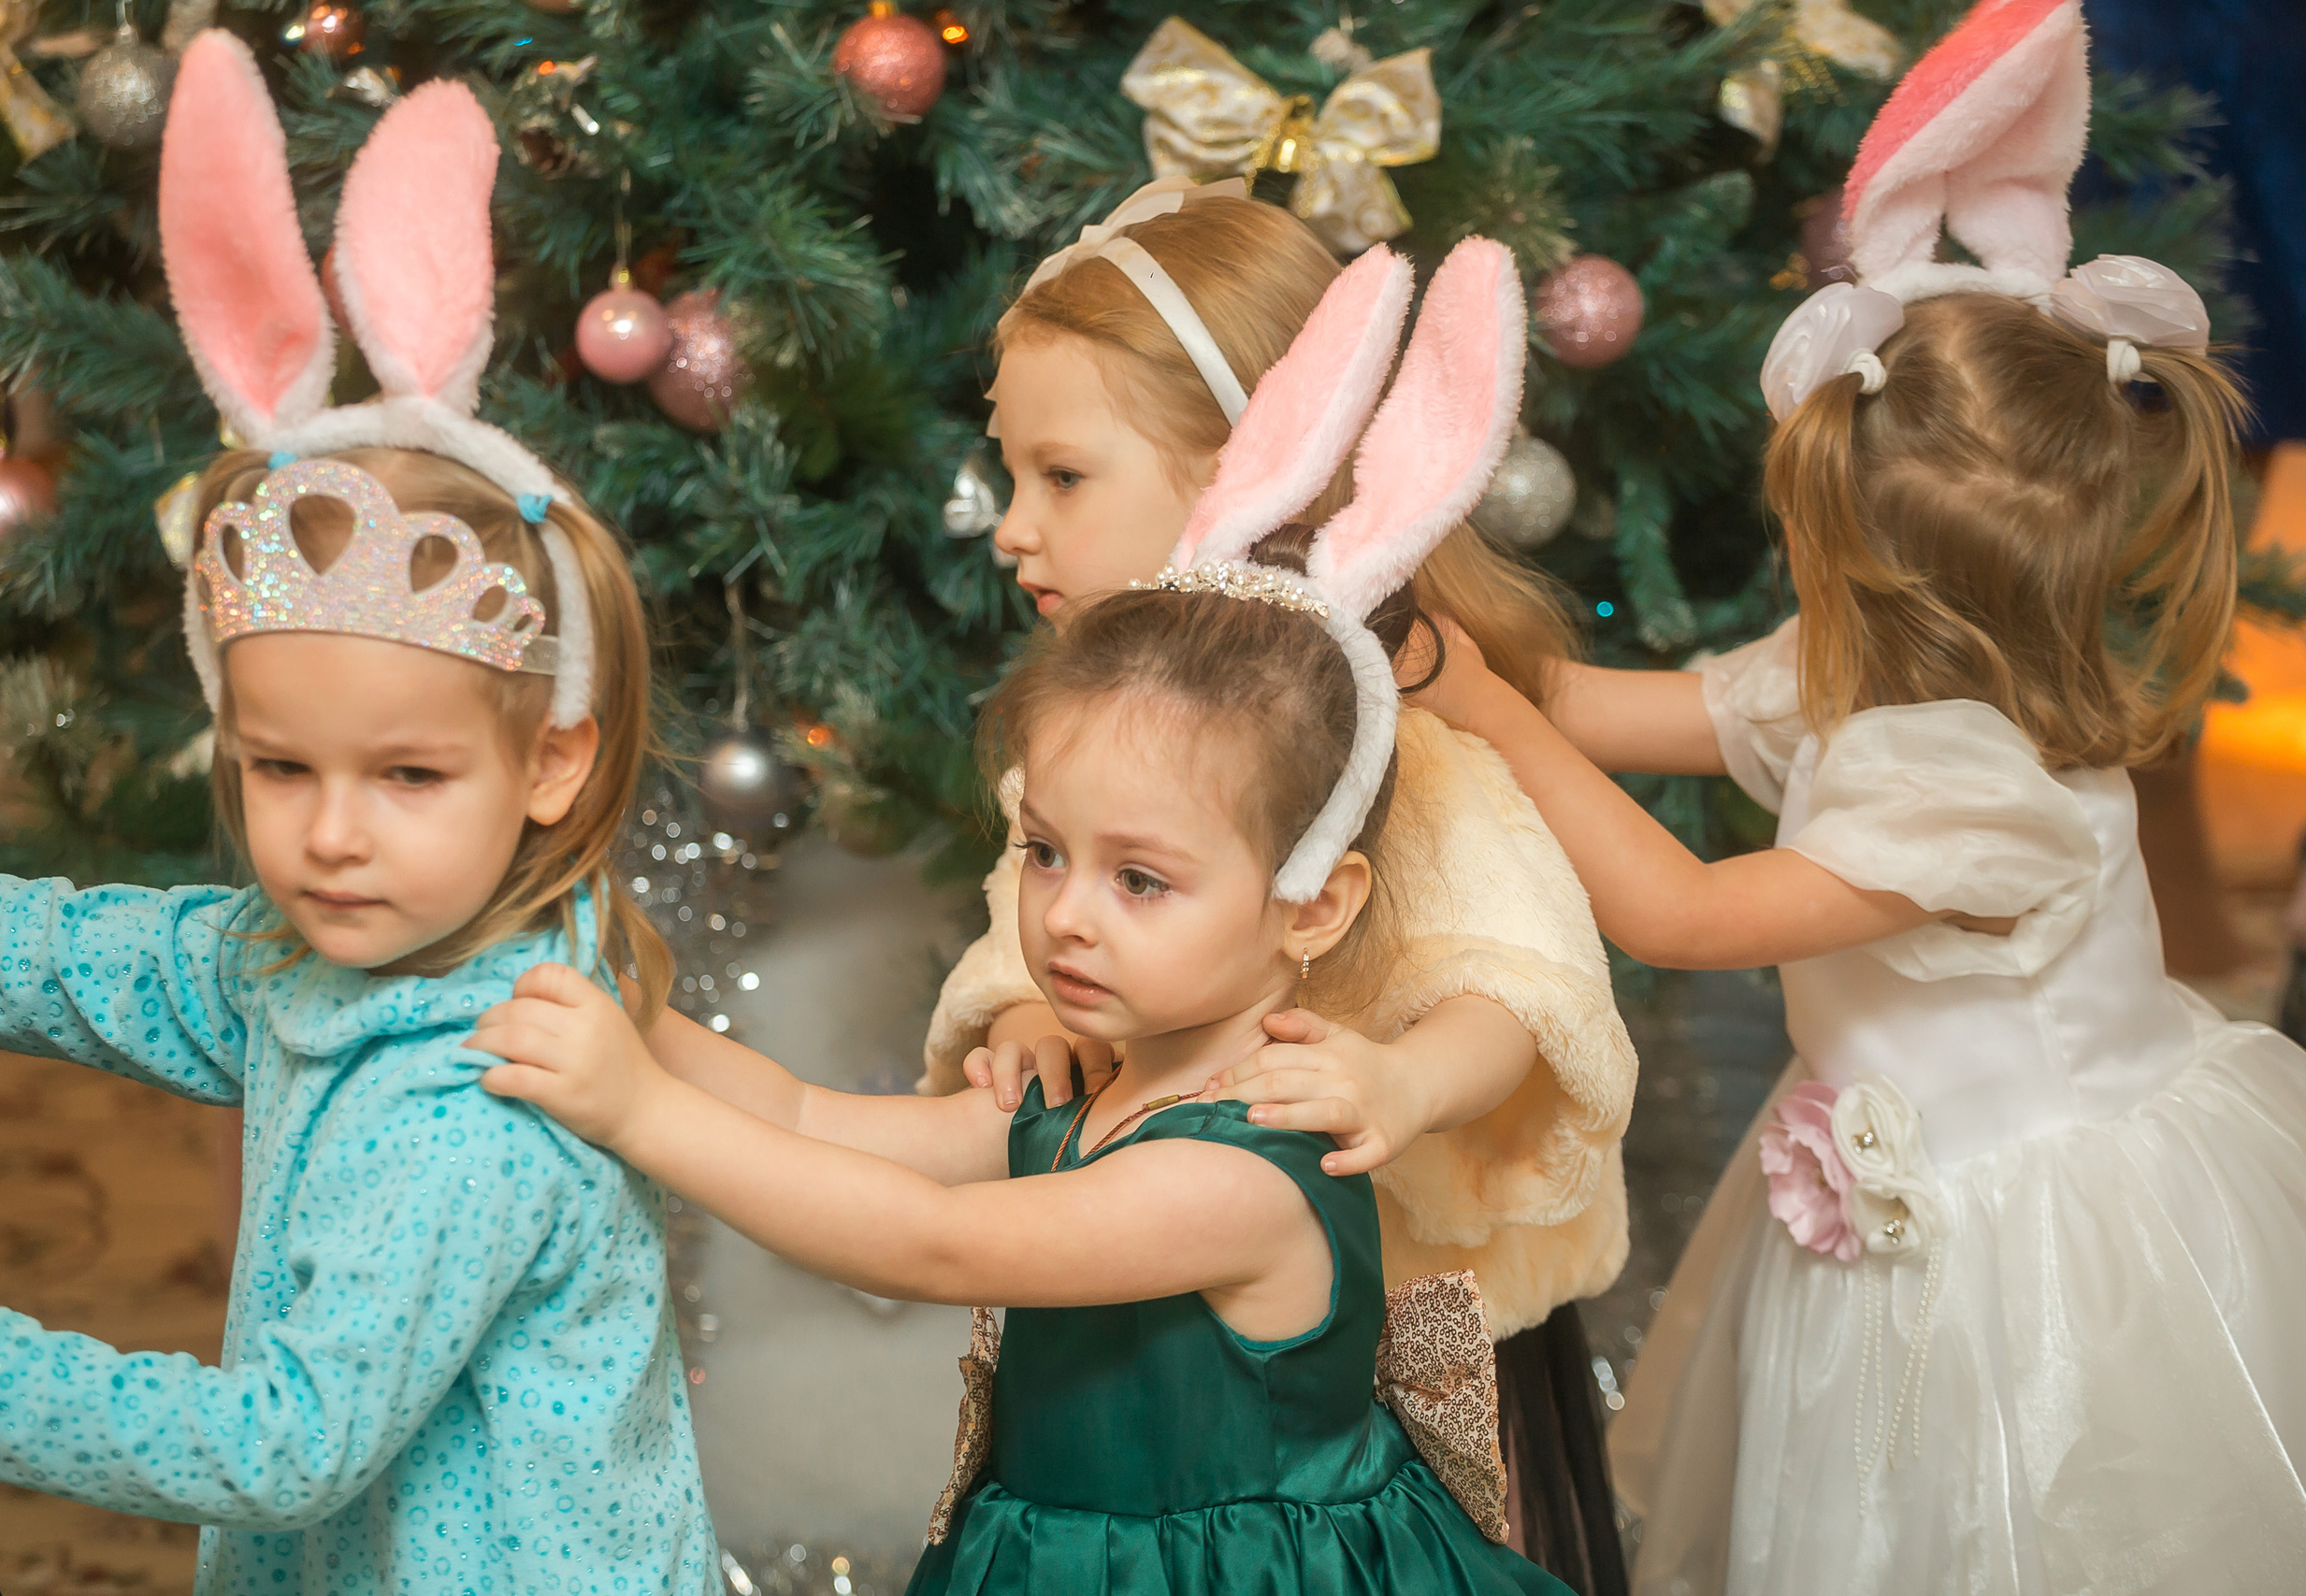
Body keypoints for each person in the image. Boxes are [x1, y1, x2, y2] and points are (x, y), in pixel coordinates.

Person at [476, 241, 1571, 1594]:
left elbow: (932, 1243)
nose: (1065, 917)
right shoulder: (1088, 1099)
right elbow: (810, 1119)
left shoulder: (1243, 1167)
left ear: (1311, 904)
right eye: (1047, 854)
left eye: (1143, 881)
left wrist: (637, 1115)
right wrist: (621, 1014)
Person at [1410, 3, 2306, 1589]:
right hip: (1892, 1210)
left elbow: (1686, 917)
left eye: (1814, 540)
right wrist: (1441, 622)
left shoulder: (1985, 801)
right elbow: (1618, 708)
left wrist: (1486, 713)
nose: (1793, 575)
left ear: (1895, 581)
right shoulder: (1860, 674)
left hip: (2020, 1261)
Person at [0, 36, 710, 1591]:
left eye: (408, 777)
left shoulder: (476, 1109)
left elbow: (285, 1449)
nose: (331, 836)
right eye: (281, 770)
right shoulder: (337, 950)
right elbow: (89, 959)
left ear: (551, 760)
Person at [772, 175, 1640, 1588]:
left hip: (1380, 1323)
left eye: (1061, 477)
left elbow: (1524, 979)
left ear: (1250, 459)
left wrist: (1403, 1083)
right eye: (1013, 478)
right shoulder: (1103, 747)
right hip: (1157, 1320)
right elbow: (1035, 939)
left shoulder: (1399, 753)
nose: (1009, 527)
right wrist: (1025, 1022)